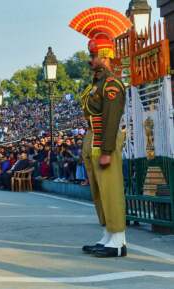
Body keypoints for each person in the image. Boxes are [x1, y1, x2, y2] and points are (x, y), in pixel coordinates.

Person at [70, 7, 131, 258]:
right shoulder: (96, 84)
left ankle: (118, 241)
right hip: (92, 139)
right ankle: (108, 234)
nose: (90, 61)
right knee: (99, 191)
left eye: (94, 55)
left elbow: (111, 119)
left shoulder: (112, 84)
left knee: (111, 189)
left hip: (104, 139)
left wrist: (106, 149)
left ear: (106, 55)